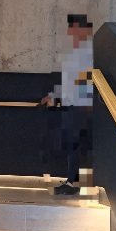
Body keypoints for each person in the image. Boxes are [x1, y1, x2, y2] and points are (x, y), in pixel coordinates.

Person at [41, 14, 93, 196]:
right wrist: (52, 96)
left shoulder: (84, 56)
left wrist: (57, 99)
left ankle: (73, 183)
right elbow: (67, 84)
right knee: (72, 145)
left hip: (78, 108)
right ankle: (72, 181)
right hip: (73, 107)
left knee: (73, 145)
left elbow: (79, 87)